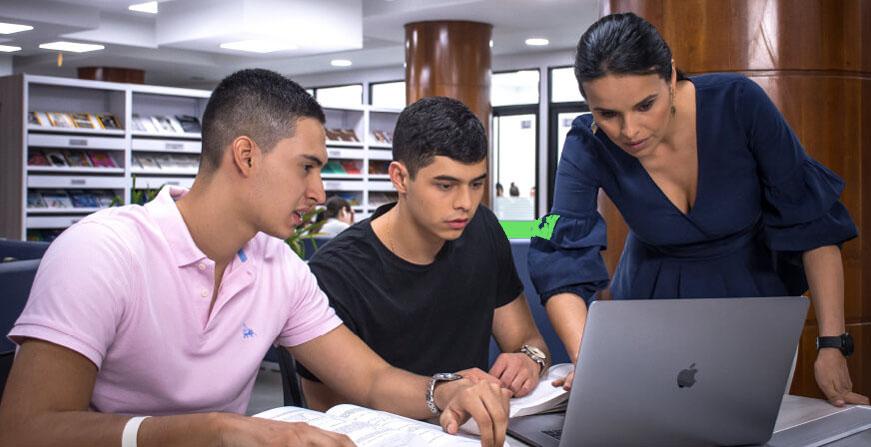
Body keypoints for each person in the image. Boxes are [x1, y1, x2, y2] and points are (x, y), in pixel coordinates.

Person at [0, 69, 511, 447]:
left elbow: (371, 380)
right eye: (307, 167)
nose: (319, 192)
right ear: (245, 156)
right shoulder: (101, 252)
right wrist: (208, 430)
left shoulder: (281, 269)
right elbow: (26, 429)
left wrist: (444, 391)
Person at [529, 12, 868, 407]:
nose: (630, 131)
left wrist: (832, 344)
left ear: (671, 77)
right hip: (647, 309)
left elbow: (813, 221)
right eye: (608, 114)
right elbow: (559, 251)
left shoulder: (738, 104)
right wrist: (590, 359)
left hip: (754, 302)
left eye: (645, 105)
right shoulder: (586, 142)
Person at [296, 96, 551, 411]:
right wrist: (444, 397)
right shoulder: (336, 273)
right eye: (446, 186)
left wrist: (529, 360)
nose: (466, 203)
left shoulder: (482, 228)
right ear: (400, 178)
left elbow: (529, 340)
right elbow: (331, 415)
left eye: (476, 184)